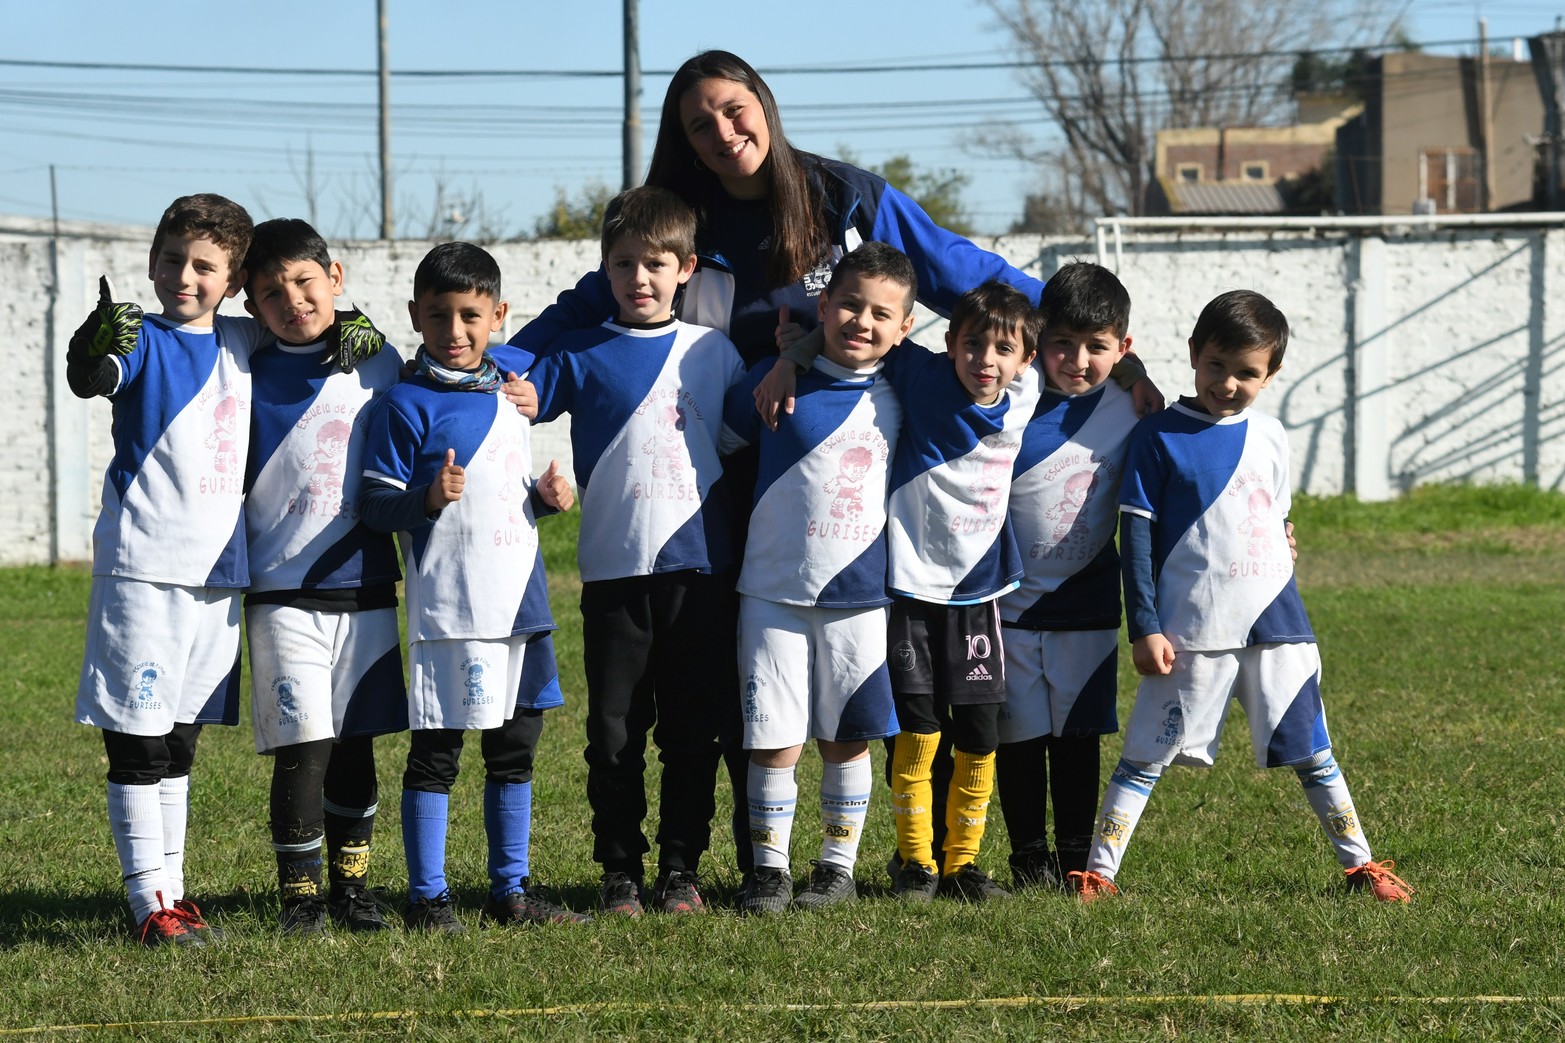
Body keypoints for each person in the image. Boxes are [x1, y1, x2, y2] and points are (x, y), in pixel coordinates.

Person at [509, 48, 1161, 876]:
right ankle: (748, 860)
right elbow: (579, 309)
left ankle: (825, 858)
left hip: (843, 482)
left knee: (846, 684)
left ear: (765, 106)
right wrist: (478, 374)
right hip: (721, 471)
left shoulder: (847, 198)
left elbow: (969, 276)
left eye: (733, 109)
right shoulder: (678, 223)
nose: (721, 131)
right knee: (742, 676)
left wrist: (1102, 353)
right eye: (699, 123)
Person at [1068, 290, 1412, 904]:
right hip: (1192, 630)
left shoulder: (1273, 435)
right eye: (1217, 365)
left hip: (1279, 623)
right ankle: (1100, 873)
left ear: (1271, 375)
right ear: (1195, 354)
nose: (1227, 383)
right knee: (1146, 755)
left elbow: (1274, 515)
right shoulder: (1158, 437)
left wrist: (1282, 542)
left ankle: (1361, 867)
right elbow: (1137, 540)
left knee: (1314, 750)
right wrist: (1144, 626)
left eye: (1247, 373)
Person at [522, 186, 747, 915]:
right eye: (623, 264)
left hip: (699, 572)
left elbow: (753, 433)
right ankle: (618, 870)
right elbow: (507, 401)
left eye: (654, 264)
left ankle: (681, 870)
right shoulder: (578, 352)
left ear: (686, 269)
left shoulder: (714, 352)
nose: (638, 279)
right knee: (612, 734)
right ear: (604, 272)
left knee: (691, 732)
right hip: (613, 574)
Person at [358, 242, 586, 932]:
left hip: (521, 606)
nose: (453, 331)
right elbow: (373, 502)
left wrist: (545, 498)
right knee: (437, 756)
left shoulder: (514, 398)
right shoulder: (403, 403)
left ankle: (509, 893)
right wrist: (427, 497)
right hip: (450, 613)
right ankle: (427, 898)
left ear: (498, 316)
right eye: (438, 316)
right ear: (414, 317)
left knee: (514, 752)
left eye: (469, 316)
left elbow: (507, 496)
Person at [67, 193, 266, 946]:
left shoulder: (248, 342)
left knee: (181, 743)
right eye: (174, 259)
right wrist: (87, 349)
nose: (186, 275)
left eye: (205, 265)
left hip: (219, 577)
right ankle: (147, 904)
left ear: (233, 279)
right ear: (152, 263)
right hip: (142, 570)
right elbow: (94, 377)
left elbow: (308, 333)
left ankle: (173, 896)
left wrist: (347, 327)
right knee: (138, 741)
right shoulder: (141, 339)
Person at [720, 243, 912, 914]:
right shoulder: (775, 381)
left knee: (843, 735)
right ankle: (768, 871)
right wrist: (786, 357)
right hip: (769, 592)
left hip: (860, 599)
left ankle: (835, 868)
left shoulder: (907, 390)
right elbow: (723, 436)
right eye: (849, 305)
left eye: (881, 313)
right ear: (822, 306)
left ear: (905, 327)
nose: (862, 321)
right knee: (773, 737)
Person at [240, 218, 408, 934]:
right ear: (251, 307)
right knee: (303, 747)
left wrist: (365, 324)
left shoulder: (379, 359)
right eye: (271, 292)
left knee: (356, 746)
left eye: (305, 281)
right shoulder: (242, 360)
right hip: (282, 592)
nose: (293, 301)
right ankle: (300, 898)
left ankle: (353, 889)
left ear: (335, 276)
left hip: (366, 586)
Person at [995, 262, 1139, 889]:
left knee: (1078, 737)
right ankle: (1027, 855)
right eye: (1061, 342)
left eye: (1097, 347)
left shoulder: (1137, 411)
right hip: (1005, 609)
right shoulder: (1006, 399)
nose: (1077, 359)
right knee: (1019, 738)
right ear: (1037, 334)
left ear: (1123, 348)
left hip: (1088, 607)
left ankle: (1079, 856)